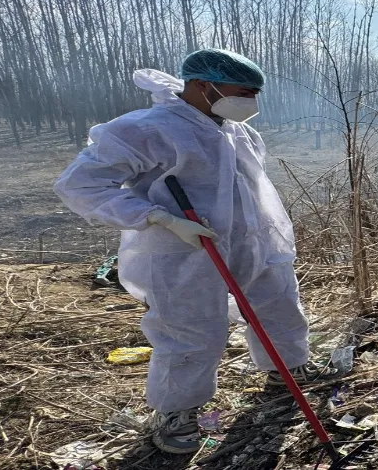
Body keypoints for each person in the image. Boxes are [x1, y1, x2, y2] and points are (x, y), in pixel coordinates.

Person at [53, 49, 338, 454]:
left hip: (252, 241)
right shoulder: (145, 129)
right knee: (190, 330)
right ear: (203, 85)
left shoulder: (237, 130)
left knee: (278, 304)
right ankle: (176, 412)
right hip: (182, 249)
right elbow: (79, 185)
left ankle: (287, 366)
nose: (252, 102)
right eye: (244, 91)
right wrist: (159, 219)